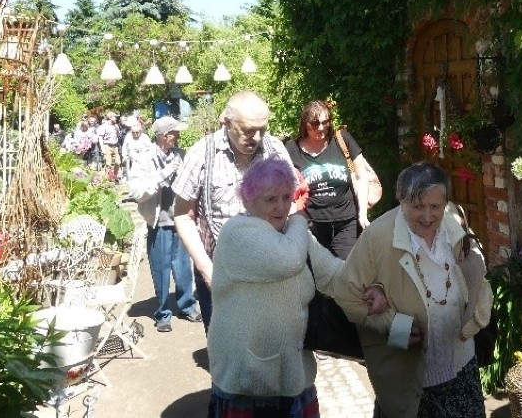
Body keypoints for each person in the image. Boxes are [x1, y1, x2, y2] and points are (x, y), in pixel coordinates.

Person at [207, 156, 386, 418]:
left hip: (294, 376)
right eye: (270, 199)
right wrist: (301, 218)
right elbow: (288, 259)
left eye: (286, 197)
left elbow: (334, 274)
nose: (281, 207)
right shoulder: (237, 232)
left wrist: (369, 290)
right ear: (248, 201)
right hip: (248, 381)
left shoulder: (293, 233)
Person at [335, 161, 494, 418]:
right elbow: (346, 294)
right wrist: (394, 328)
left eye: (435, 206)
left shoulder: (453, 218)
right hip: (410, 380)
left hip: (461, 366)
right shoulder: (378, 237)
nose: (428, 216)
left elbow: (472, 263)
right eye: (417, 207)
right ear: (400, 200)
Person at [173, 90, 292, 332]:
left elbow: (295, 201)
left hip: (269, 270)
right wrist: (207, 270)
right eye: (248, 130)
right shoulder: (201, 154)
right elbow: (183, 216)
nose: (257, 137)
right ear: (226, 122)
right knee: (228, 350)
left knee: (270, 343)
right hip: (220, 271)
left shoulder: (275, 150)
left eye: (262, 129)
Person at [128, 115, 200, 333]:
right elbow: (137, 192)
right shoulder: (144, 159)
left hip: (180, 220)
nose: (178, 136)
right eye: (175, 133)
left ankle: (187, 306)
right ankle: (162, 314)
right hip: (158, 222)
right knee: (160, 269)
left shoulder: (181, 155)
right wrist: (164, 174)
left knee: (184, 267)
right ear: (164, 136)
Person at [285, 100, 371, 259]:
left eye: (325, 122)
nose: (320, 128)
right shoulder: (291, 149)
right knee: (318, 276)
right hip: (311, 225)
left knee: (345, 272)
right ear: (305, 123)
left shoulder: (341, 140)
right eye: (315, 123)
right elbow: (284, 187)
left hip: (346, 222)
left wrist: (363, 214)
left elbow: (361, 176)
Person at [97, 113, 122, 181]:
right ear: (110, 118)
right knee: (108, 163)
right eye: (115, 117)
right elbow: (100, 138)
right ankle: (107, 178)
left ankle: (115, 175)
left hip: (115, 146)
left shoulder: (116, 126)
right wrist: (102, 149)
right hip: (107, 146)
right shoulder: (103, 126)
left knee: (118, 162)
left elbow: (118, 135)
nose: (116, 118)